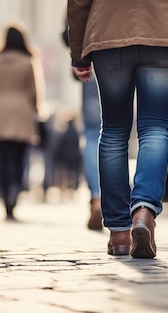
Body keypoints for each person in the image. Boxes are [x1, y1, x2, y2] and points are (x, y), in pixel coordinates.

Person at [67, 0, 168, 258]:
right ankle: (144, 212)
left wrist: (78, 50)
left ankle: (119, 233)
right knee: (155, 127)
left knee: (113, 132)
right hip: (166, 31)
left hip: (109, 32)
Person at [0, 25, 46, 220]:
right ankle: (15, 189)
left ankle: (5, 192)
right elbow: (34, 92)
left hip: (0, 113)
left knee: (3, 156)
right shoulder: (28, 62)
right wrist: (36, 110)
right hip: (22, 112)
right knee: (19, 157)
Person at [62, 25, 102, 230]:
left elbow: (70, 24)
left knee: (92, 135)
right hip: (122, 56)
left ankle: (96, 197)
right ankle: (119, 204)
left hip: (91, 58)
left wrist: (77, 56)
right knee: (117, 132)